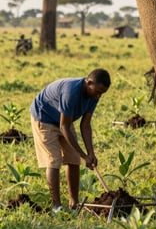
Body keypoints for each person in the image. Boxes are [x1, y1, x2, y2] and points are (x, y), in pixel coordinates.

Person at [30, 69, 111, 212]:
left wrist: (90, 153)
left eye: (102, 93)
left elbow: (85, 124)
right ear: (89, 82)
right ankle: (57, 207)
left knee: (74, 159)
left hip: (63, 120)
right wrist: (84, 155)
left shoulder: (94, 97)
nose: (99, 96)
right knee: (54, 160)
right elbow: (64, 127)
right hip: (44, 117)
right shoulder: (71, 92)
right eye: (97, 91)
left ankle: (74, 204)